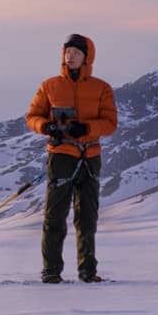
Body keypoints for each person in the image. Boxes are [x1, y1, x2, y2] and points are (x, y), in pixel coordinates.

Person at [26, 31, 117, 283]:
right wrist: (46, 127)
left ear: (87, 57)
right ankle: (51, 271)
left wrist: (87, 129)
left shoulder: (102, 88)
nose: (70, 56)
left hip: (90, 157)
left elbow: (110, 123)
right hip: (61, 155)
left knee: (87, 217)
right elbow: (32, 117)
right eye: (67, 51)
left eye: (76, 52)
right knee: (54, 217)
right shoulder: (50, 85)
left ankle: (88, 271)